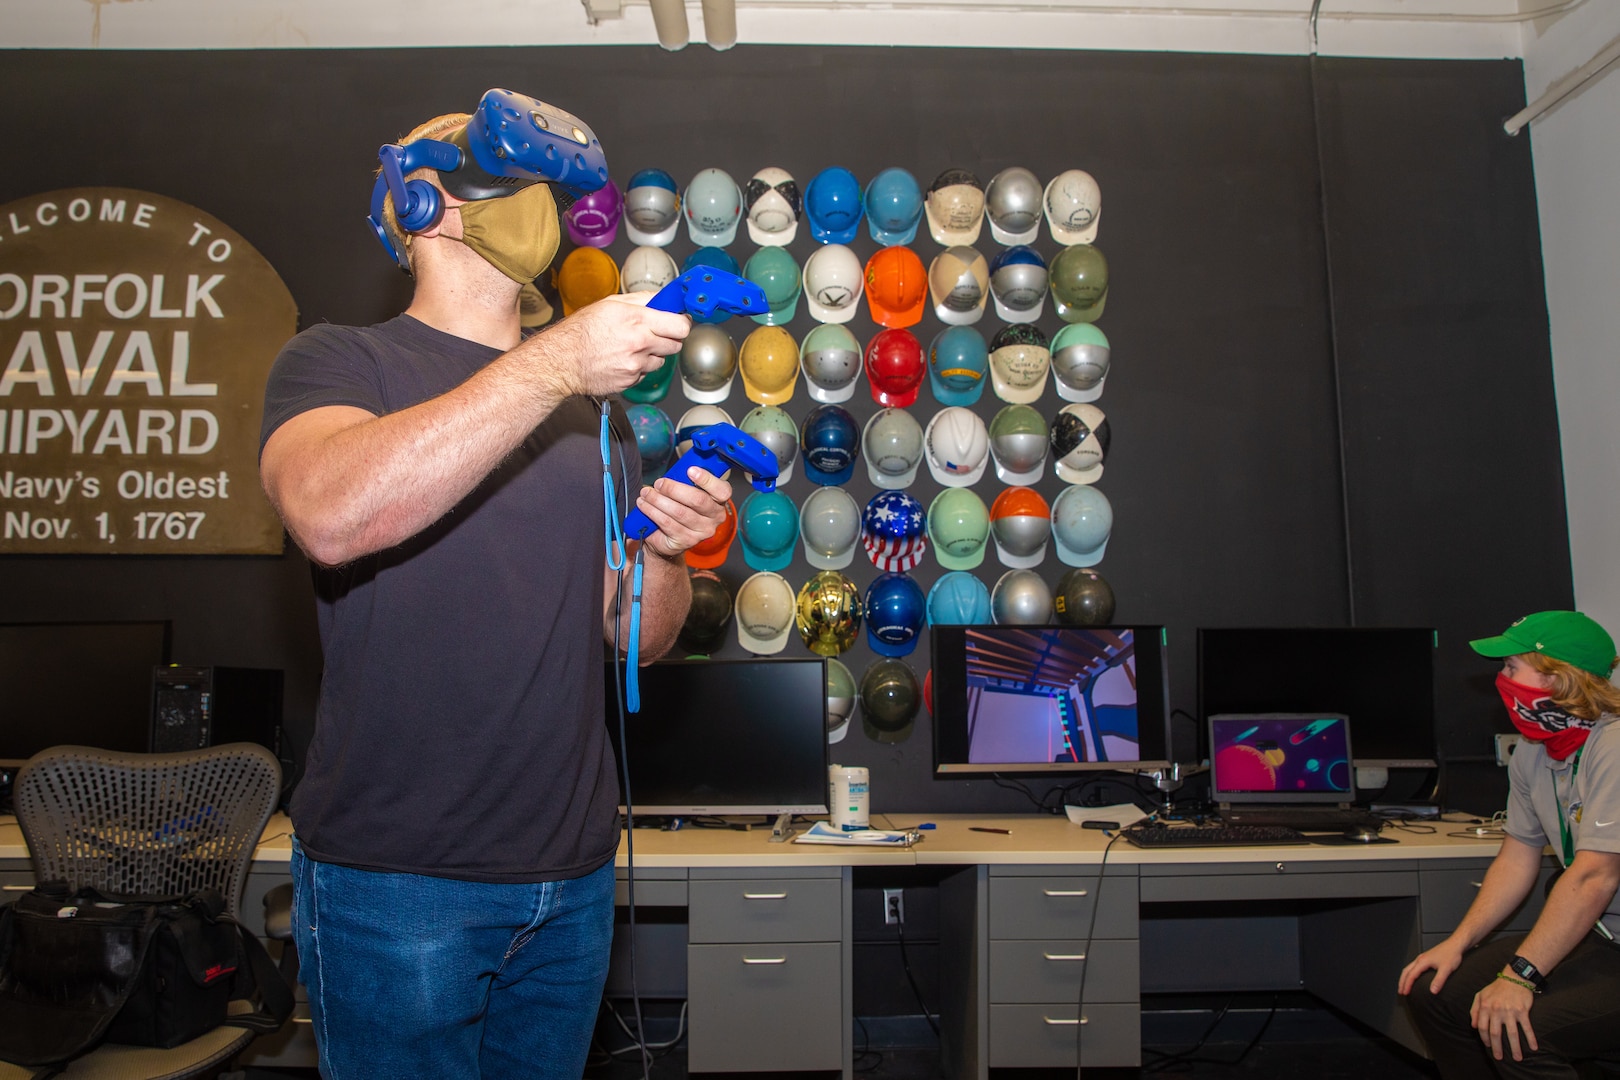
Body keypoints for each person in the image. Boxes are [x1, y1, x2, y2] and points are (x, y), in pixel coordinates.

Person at [257, 104, 729, 1078]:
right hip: (396, 884)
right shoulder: (341, 362)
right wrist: (552, 362)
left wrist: (668, 554)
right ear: (420, 200)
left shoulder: (598, 416)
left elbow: (634, 632)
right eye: (500, 173)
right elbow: (331, 516)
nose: (537, 204)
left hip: (574, 873)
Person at [1399, 610, 1620, 1078]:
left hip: (1608, 936)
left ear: (1560, 679)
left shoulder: (1614, 747)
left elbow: (1595, 876)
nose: (1501, 679)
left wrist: (1520, 976)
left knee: (1516, 1029)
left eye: (1511, 666)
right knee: (1434, 993)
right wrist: (1458, 943)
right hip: (1604, 940)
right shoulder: (1535, 754)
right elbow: (1518, 856)